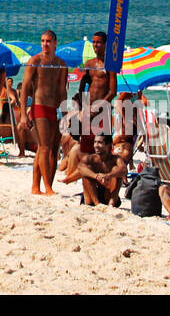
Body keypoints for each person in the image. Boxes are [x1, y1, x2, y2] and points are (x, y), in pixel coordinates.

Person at [19, 29, 67, 196]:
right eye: (42, 41)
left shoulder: (61, 64)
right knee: (44, 146)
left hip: (54, 109)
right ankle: (47, 187)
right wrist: (24, 114)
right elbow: (24, 88)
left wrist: (66, 113)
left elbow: (62, 91)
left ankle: (37, 187)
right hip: (39, 106)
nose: (45, 44)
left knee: (52, 148)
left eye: (48, 41)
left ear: (55, 43)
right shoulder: (35, 61)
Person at [75, 32, 115, 154]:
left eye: (99, 42)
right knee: (87, 145)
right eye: (94, 42)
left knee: (103, 145)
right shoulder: (89, 64)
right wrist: (83, 108)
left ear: (105, 44)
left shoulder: (110, 64)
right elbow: (82, 88)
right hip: (89, 110)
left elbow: (113, 91)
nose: (95, 45)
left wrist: (98, 107)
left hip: (103, 110)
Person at [77, 134, 126, 207]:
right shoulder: (90, 158)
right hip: (92, 196)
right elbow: (80, 167)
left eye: (100, 142)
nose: (96, 145)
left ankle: (111, 204)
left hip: (108, 195)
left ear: (108, 145)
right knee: (86, 172)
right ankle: (97, 204)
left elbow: (124, 170)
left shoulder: (115, 159)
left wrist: (108, 176)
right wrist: (96, 176)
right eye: (95, 142)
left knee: (116, 170)